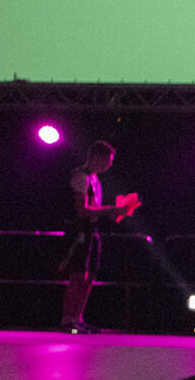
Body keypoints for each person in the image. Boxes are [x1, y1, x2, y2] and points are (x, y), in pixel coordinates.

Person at [58, 139, 140, 333]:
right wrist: (110, 209)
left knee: (90, 275)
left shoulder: (95, 179)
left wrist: (116, 212)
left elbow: (95, 209)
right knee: (78, 275)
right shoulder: (80, 177)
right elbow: (82, 210)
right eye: (107, 161)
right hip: (79, 231)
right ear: (96, 157)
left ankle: (78, 317)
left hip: (92, 230)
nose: (109, 166)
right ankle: (67, 318)